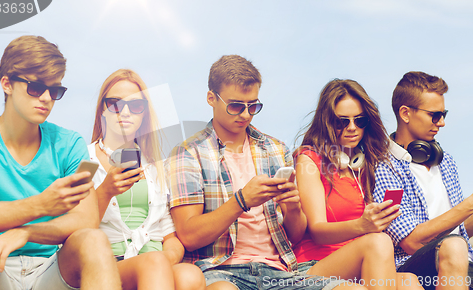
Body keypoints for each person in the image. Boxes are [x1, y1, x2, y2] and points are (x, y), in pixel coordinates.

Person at [167, 55, 358, 290]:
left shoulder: (276, 149)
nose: (246, 115)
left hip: (279, 272)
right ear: (211, 99)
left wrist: (293, 208)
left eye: (253, 106)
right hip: (221, 271)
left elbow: (295, 236)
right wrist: (241, 201)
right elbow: (188, 236)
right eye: (236, 106)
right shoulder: (188, 153)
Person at [0, 36, 121, 290]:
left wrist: (24, 233)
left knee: (94, 239)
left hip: (51, 269)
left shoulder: (72, 143)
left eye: (55, 91)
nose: (46, 98)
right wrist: (41, 205)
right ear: (6, 84)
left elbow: (86, 219)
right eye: (35, 87)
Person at [293, 79, 421, 290]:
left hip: (363, 263)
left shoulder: (365, 164)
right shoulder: (309, 160)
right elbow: (317, 230)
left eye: (359, 121)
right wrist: (362, 225)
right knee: (378, 242)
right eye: (342, 121)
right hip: (315, 266)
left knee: (409, 282)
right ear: (327, 122)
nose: (352, 128)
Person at [88, 69, 205, 290]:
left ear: (144, 114)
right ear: (102, 109)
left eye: (135, 106)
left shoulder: (156, 168)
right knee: (153, 263)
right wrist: (105, 191)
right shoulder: (84, 158)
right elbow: (76, 227)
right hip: (110, 262)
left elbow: (169, 235)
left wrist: (166, 258)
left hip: (154, 260)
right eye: (114, 103)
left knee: (191, 275)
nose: (124, 112)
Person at [373, 71, 473, 290]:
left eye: (444, 114)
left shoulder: (446, 162)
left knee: (456, 246)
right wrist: (469, 205)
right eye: (435, 115)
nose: (442, 123)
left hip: (460, 262)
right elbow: (411, 242)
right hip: (413, 269)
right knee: (454, 246)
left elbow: (456, 228)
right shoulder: (383, 167)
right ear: (406, 113)